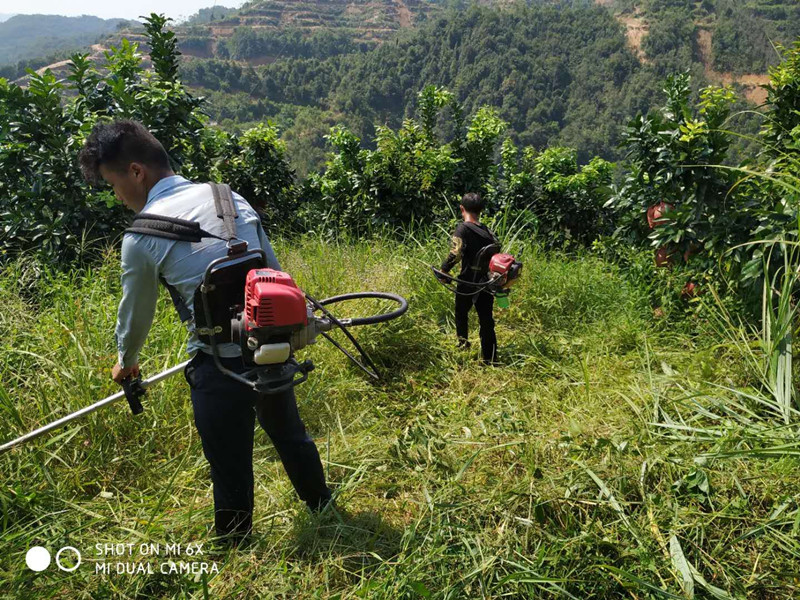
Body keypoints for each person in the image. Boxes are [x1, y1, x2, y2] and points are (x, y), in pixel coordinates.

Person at [78, 120, 332, 545]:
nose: (118, 197)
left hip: (217, 365)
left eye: (113, 183)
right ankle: (323, 507)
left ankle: (235, 546)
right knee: (290, 434)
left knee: (228, 459)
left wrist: (127, 361)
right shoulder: (227, 196)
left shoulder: (141, 237)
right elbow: (272, 268)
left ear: (137, 172)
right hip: (267, 344)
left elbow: (135, 314)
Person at [439, 192, 499, 364]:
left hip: (467, 280)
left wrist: (444, 270)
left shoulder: (463, 228)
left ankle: (462, 345)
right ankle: (491, 358)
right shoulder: (488, 231)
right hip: (486, 282)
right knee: (486, 319)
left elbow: (456, 253)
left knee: (461, 314)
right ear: (480, 211)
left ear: (462, 209)